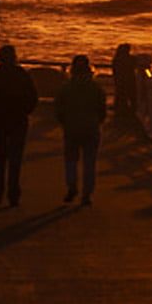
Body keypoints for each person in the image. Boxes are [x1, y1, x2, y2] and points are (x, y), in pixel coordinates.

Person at [0, 43, 40, 205]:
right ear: (14, 57)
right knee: (16, 159)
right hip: (18, 120)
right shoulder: (22, 74)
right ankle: (13, 194)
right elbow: (33, 97)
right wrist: (25, 112)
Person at [55, 52, 105, 203]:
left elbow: (59, 108)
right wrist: (97, 122)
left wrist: (64, 122)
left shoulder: (66, 88)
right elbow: (102, 109)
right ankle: (87, 194)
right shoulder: (95, 88)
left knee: (71, 160)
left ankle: (72, 186)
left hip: (71, 128)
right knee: (89, 162)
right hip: (91, 128)